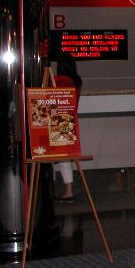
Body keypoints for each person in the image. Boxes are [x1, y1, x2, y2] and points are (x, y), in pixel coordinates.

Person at [53, 53, 83, 203]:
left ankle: (67, 191)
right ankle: (68, 190)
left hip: (58, 121)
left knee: (56, 158)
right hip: (70, 120)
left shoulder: (60, 80)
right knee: (66, 158)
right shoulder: (75, 81)